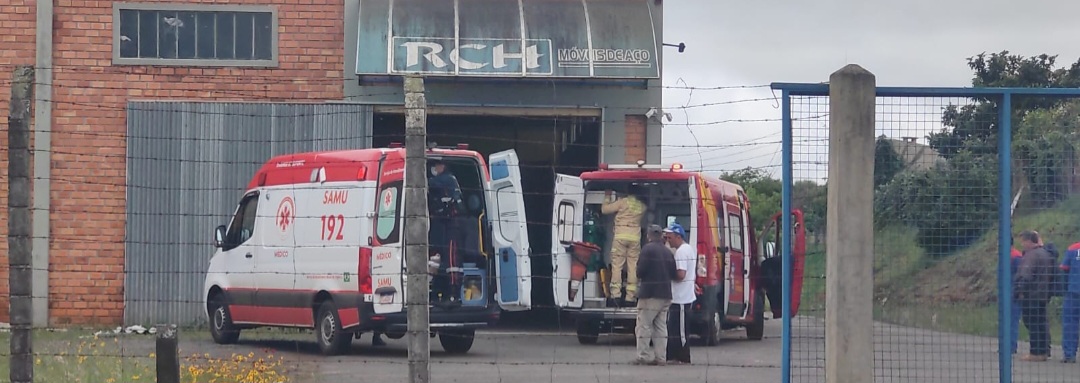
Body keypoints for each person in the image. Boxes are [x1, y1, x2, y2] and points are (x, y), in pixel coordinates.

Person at [633, 224, 677, 366]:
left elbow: (640, 272)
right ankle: (661, 357)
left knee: (644, 325)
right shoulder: (668, 252)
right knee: (660, 327)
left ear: (649, 236)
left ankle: (643, 356)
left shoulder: (647, 249)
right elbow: (673, 273)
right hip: (665, 294)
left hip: (650, 294)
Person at [1015, 230, 1056, 362]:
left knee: (1032, 323)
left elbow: (1026, 275)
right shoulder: (1045, 254)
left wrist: (1019, 290)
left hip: (1031, 295)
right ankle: (1044, 351)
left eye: (1023, 240)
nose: (1022, 244)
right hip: (1043, 294)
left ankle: (1035, 352)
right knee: (1041, 323)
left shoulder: (1031, 256)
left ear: (1028, 241)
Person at [602, 186, 647, 304]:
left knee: (617, 265)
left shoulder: (623, 202)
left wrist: (607, 197)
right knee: (633, 267)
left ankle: (616, 295)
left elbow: (605, 210)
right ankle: (630, 297)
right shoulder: (642, 206)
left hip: (621, 236)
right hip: (635, 238)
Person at [428, 159, 464, 305]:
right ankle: (435, 290)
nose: (434, 168)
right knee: (435, 257)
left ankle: (453, 293)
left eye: (436, 165)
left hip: (451, 225)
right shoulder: (442, 182)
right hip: (439, 224)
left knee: (451, 258)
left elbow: (431, 183)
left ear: (442, 166)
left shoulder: (447, 179)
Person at [664, 222, 695, 365]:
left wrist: (668, 275)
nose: (667, 240)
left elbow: (681, 274)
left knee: (681, 329)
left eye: (669, 238)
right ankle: (674, 355)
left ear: (678, 236)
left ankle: (683, 356)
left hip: (682, 298)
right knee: (674, 327)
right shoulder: (688, 249)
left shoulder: (681, 252)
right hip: (680, 296)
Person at [1061, 241, 1080, 363]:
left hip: (1074, 290)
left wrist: (1065, 288)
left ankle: (1069, 353)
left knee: (1070, 323)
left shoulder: (1073, 248)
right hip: (1073, 290)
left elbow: (1064, 269)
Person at [1009, 240, 1022, 355]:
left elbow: (1020, 276)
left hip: (1014, 294)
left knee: (1012, 320)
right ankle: (1006, 345)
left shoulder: (1016, 256)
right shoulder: (1007, 255)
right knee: (1006, 320)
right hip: (1007, 293)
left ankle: (1011, 345)